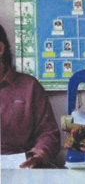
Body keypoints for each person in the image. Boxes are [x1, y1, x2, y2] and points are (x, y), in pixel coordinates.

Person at [0, 24, 61, 168]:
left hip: (19, 168)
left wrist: (38, 156)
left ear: (0, 49)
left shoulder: (29, 87)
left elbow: (48, 134)